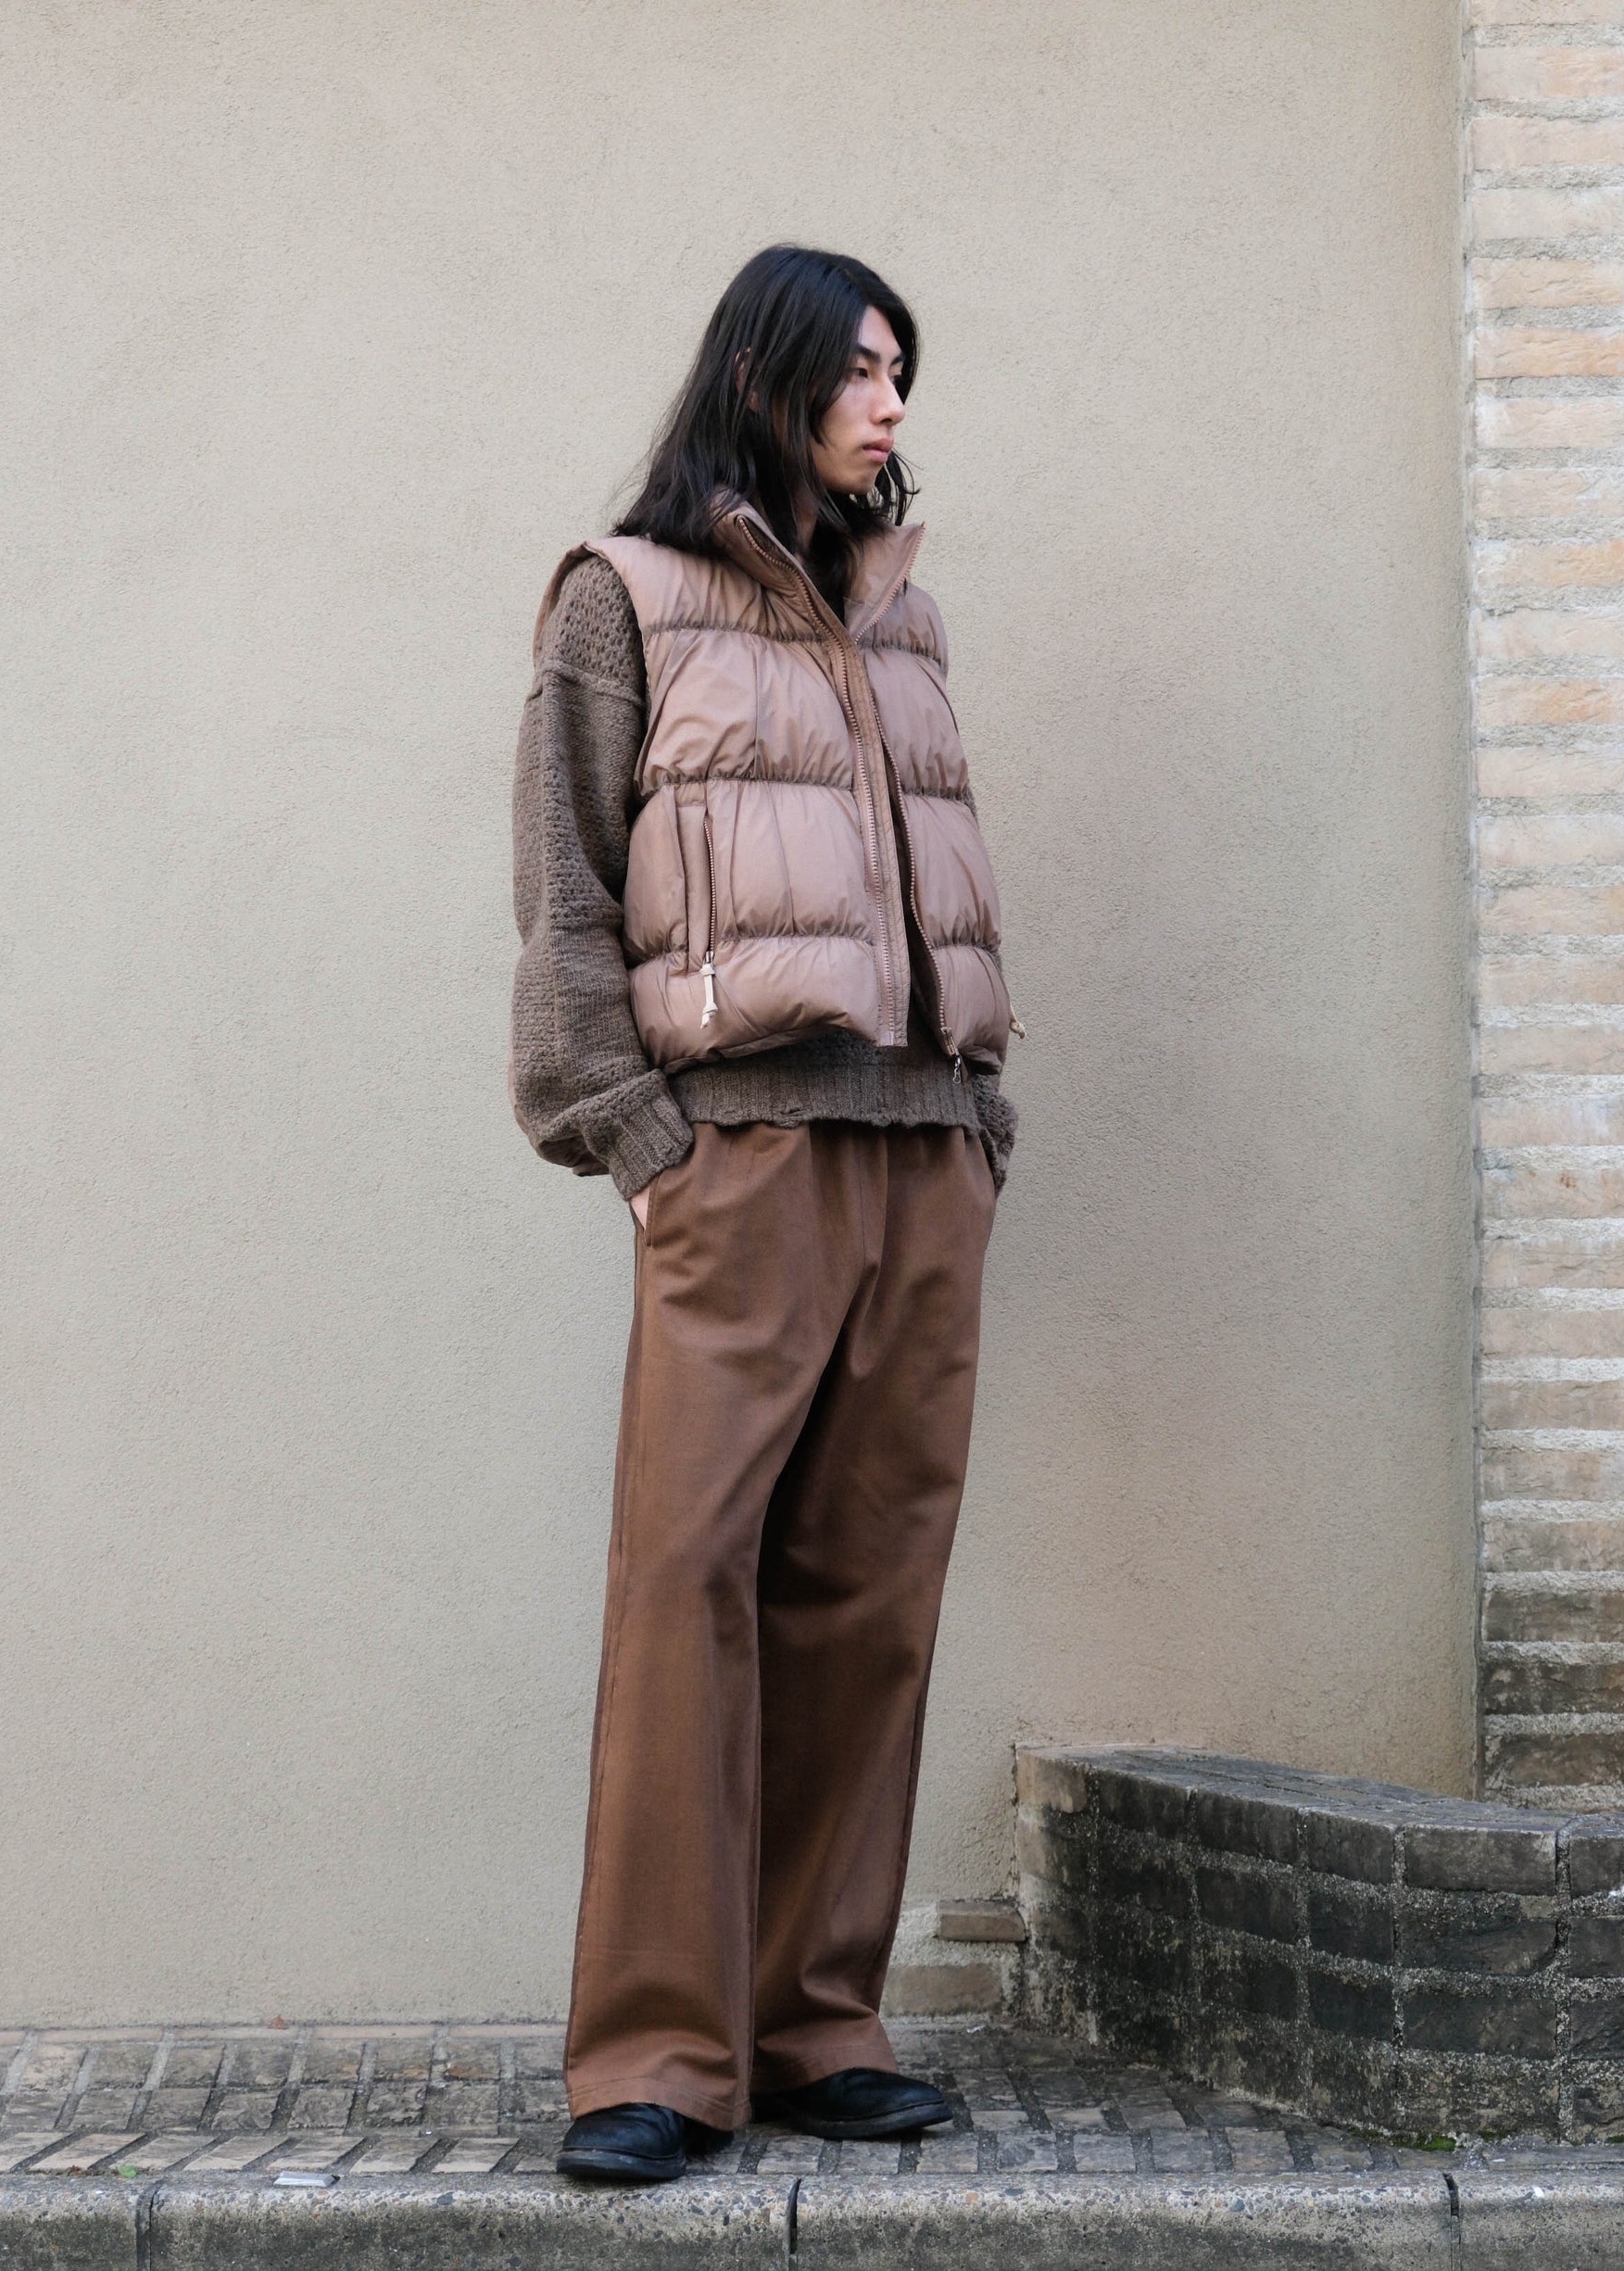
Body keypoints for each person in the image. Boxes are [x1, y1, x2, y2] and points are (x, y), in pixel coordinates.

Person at [510, 244, 1020, 2185]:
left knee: (870, 1594)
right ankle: (655, 2050)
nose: (890, 405)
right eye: (862, 370)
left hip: (922, 1148)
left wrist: (977, 1115)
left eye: (903, 374)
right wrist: (631, 1135)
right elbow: (567, 890)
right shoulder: (622, 595)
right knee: (686, 1585)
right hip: (743, 1150)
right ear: (767, 377)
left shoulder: (905, 615)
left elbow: (935, 869)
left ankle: (817, 2022)